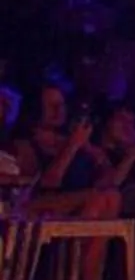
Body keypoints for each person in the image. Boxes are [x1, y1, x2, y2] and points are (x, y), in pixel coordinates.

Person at [6, 82, 123, 219]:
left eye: (61, 105)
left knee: (112, 197)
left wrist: (94, 154)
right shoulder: (24, 145)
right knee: (95, 199)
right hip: (39, 207)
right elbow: (43, 185)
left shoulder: (74, 139)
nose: (59, 110)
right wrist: (71, 147)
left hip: (80, 204)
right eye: (51, 106)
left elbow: (110, 178)